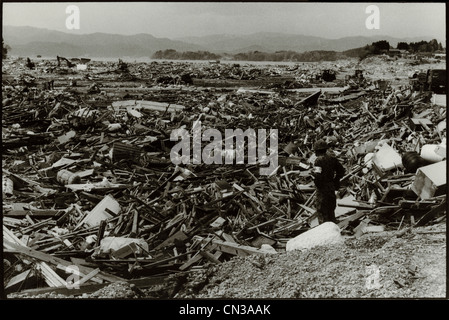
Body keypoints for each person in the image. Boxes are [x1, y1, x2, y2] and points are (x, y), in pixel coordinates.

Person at [312, 139, 345, 224]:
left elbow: (317, 176)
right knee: (331, 209)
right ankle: (333, 227)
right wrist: (336, 180)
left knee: (322, 210)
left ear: (317, 151)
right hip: (331, 187)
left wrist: (317, 183)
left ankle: (324, 230)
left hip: (322, 189)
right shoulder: (332, 159)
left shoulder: (318, 161)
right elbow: (341, 171)